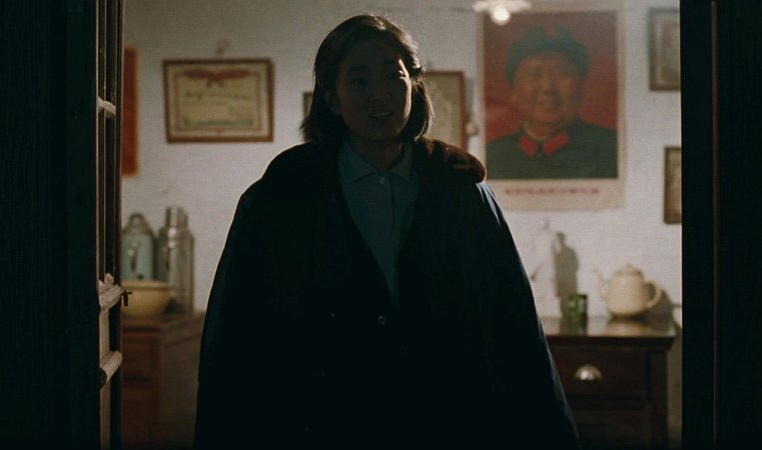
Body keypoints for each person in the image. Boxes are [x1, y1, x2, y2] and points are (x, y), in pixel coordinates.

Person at [193, 14, 580, 449]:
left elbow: (517, 330)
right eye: (359, 81)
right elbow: (234, 343)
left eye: (393, 76)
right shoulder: (281, 198)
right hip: (320, 423)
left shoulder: (460, 191)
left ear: (413, 84)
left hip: (447, 422)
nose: (380, 94)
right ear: (332, 98)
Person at [486, 26, 617, 179]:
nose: (548, 88)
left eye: (562, 74)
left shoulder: (612, 150)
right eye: (534, 75)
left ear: (581, 87)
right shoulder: (491, 156)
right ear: (514, 92)